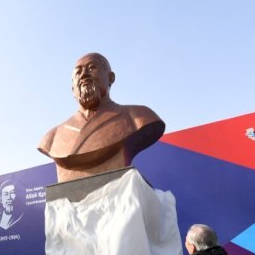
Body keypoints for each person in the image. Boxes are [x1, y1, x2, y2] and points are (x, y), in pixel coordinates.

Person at [38, 52, 165, 183]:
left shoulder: (138, 116)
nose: (84, 75)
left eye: (92, 67)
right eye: (78, 72)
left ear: (110, 78)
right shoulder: (52, 138)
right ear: (72, 88)